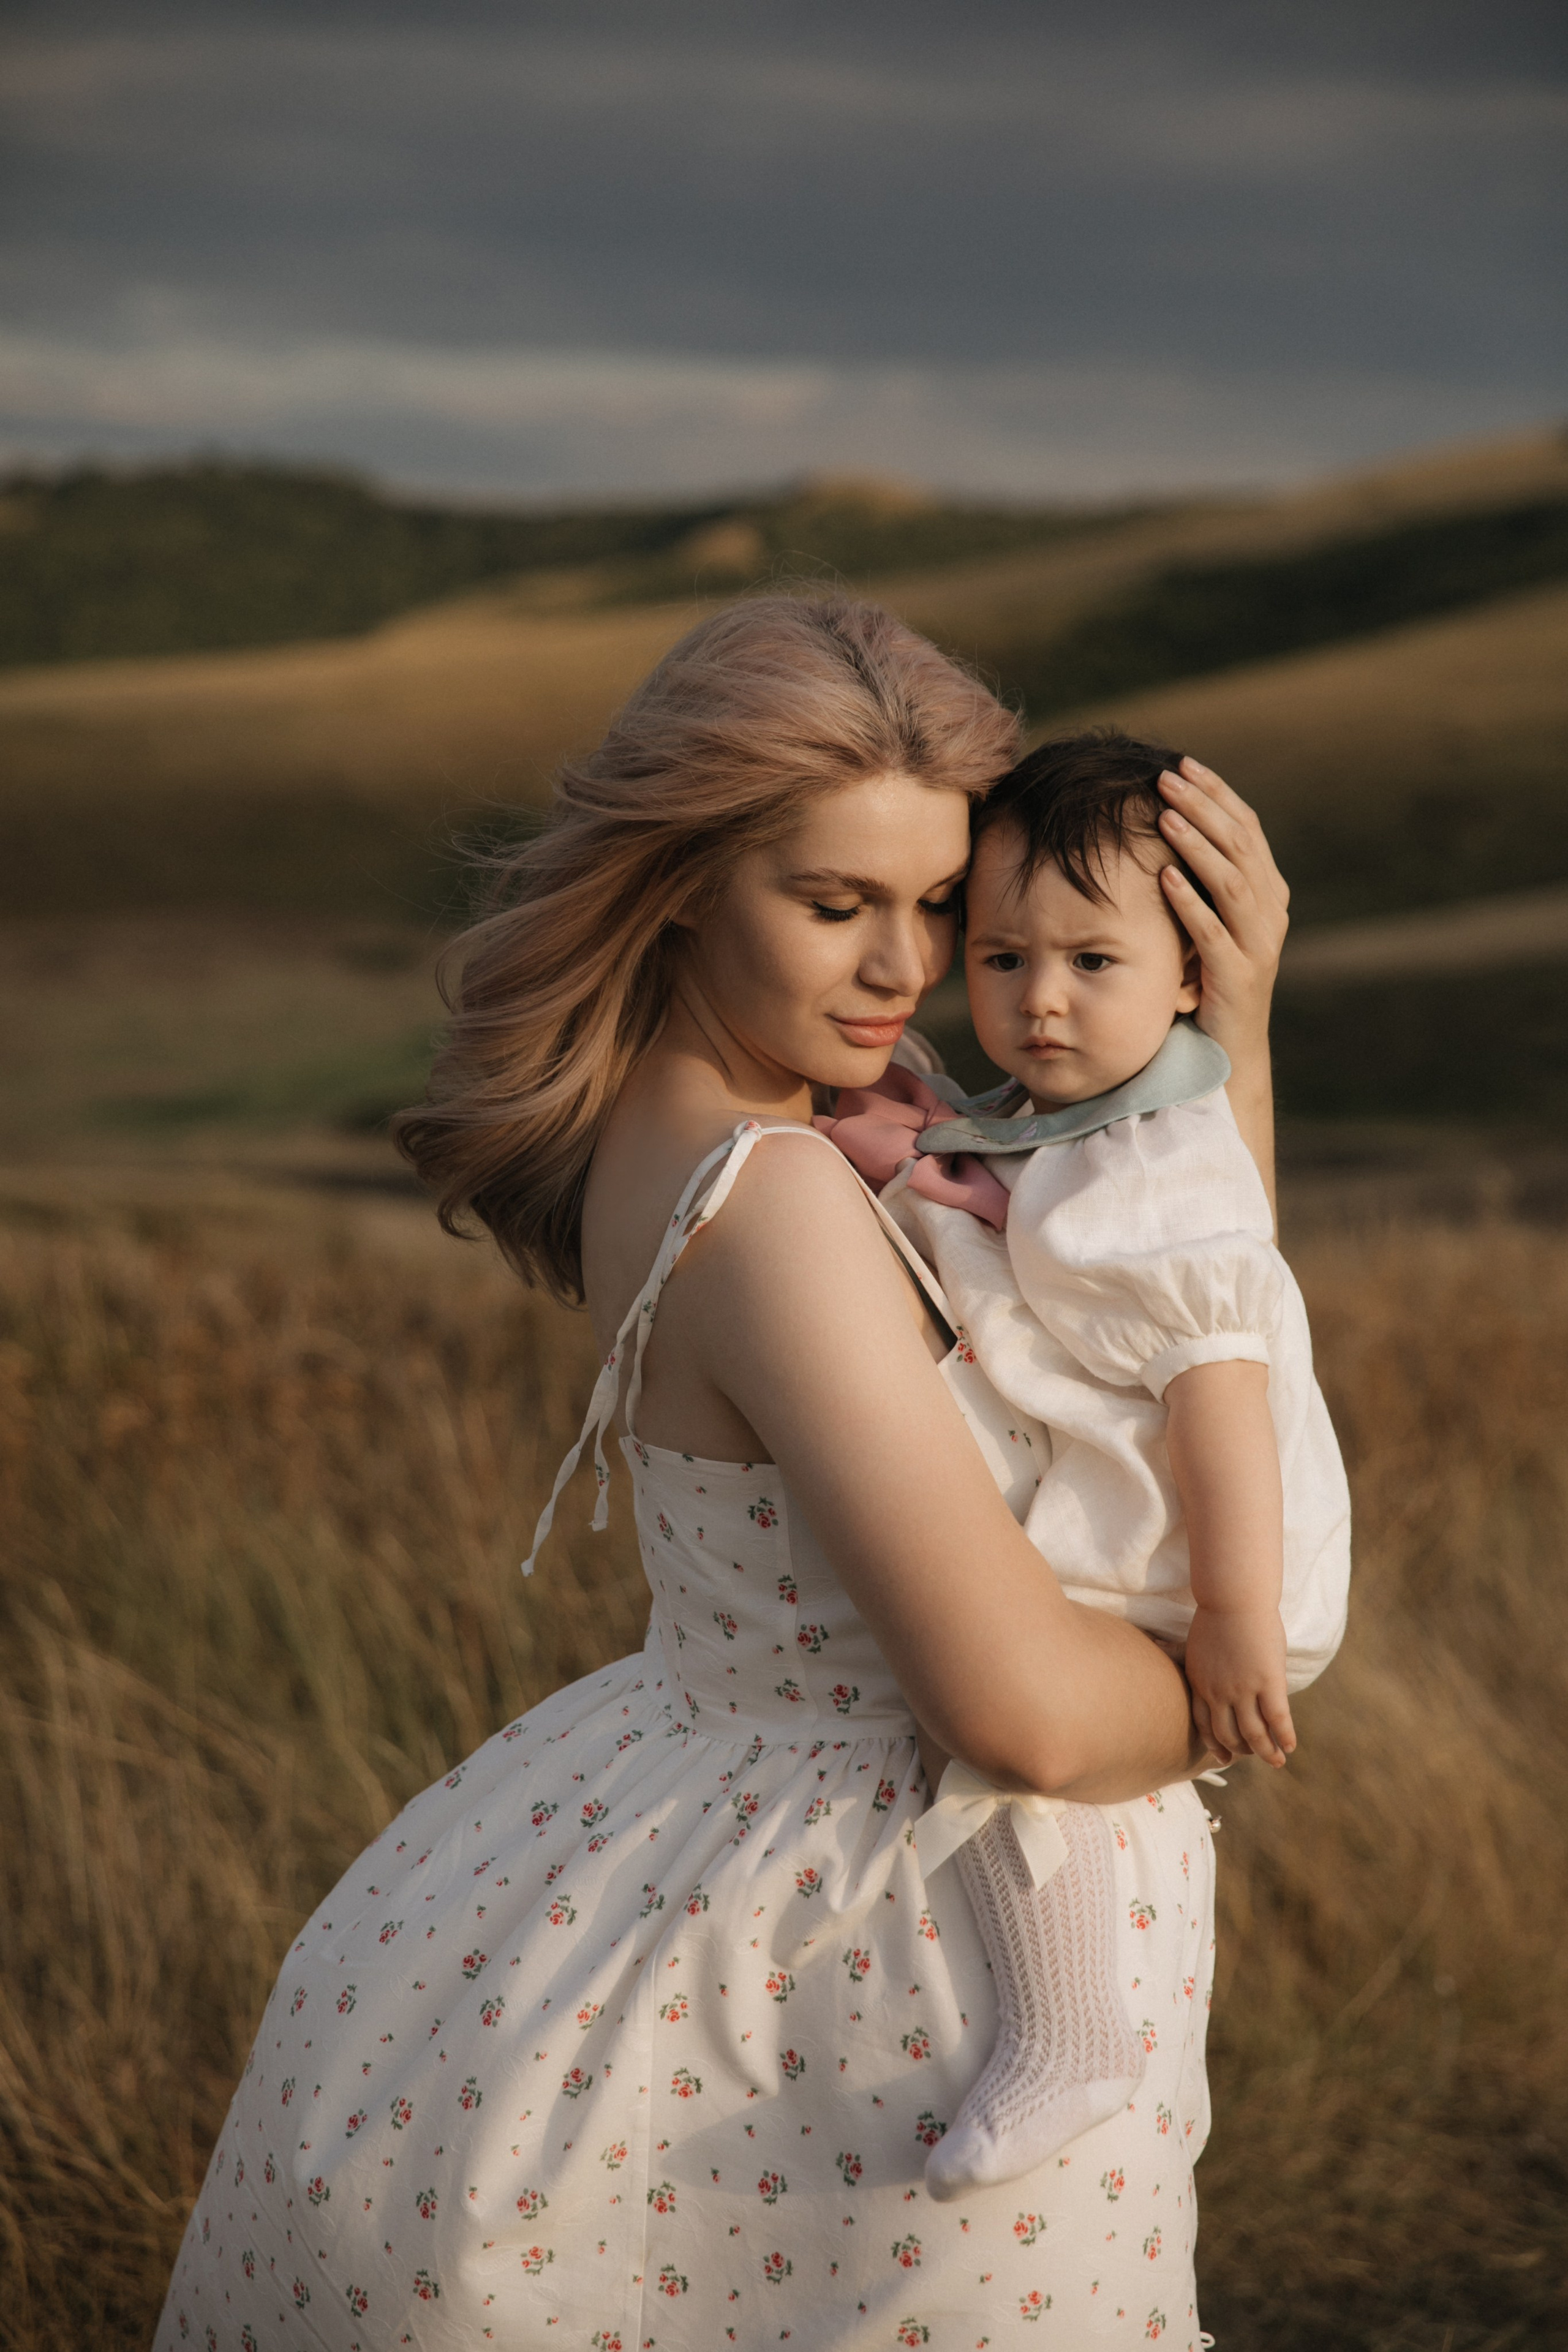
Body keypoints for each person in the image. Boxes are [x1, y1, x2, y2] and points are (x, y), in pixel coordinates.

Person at [156, 600, 1289, 2352]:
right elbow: (1031, 1725)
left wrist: (1237, 1027)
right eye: (834, 905)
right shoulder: (767, 1197)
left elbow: (1173, 1297)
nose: (904, 971)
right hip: (877, 1947)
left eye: (937, 905)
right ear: (682, 878)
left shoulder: (789, 1107)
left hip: (718, 1806)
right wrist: (1257, 1665)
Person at [821, 727, 1350, 2202]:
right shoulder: (1077, 1128)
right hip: (1141, 1524)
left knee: (1004, 1736)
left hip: (1191, 1550)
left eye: (1091, 965)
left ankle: (1068, 2034)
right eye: (1000, 960)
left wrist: (1234, 1610)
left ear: (1189, 974)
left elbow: (1219, 1393)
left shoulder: (1162, 1164)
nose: (1038, 1002)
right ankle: (1077, 2021)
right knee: (1022, 1749)